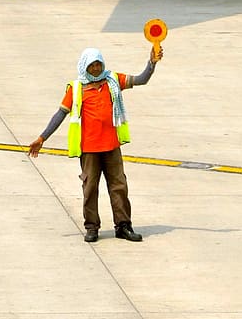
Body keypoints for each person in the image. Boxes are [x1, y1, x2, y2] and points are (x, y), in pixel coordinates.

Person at [28, 43, 163, 242]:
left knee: (119, 186)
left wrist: (151, 63)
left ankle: (123, 225)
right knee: (90, 188)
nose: (97, 69)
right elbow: (60, 114)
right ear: (84, 66)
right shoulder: (76, 89)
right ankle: (92, 227)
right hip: (89, 149)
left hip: (111, 147)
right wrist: (42, 138)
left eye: (99, 64)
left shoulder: (113, 80)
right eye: (93, 65)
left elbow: (141, 79)